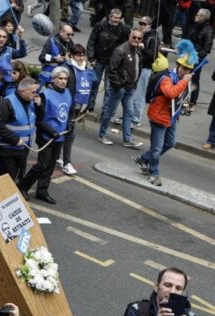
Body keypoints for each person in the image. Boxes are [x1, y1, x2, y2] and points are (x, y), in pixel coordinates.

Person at [134, 49, 197, 186]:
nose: (185, 72)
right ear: (177, 65)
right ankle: (153, 173)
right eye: (184, 68)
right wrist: (184, 82)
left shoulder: (183, 80)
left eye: (188, 70)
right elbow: (170, 93)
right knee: (157, 148)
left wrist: (185, 103)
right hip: (159, 116)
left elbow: (179, 96)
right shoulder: (166, 78)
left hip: (171, 116)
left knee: (170, 143)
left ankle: (143, 159)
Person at [17, 67, 73, 205]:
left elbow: (69, 112)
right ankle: (22, 186)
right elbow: (39, 119)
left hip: (60, 136)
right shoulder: (44, 95)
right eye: (60, 78)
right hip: (46, 136)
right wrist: (50, 131)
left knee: (50, 166)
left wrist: (70, 124)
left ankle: (42, 191)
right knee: (42, 165)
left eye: (65, 79)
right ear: (53, 79)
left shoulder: (68, 93)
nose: (63, 81)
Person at [96, 28, 144, 148]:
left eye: (139, 38)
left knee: (129, 113)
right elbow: (112, 69)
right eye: (134, 37)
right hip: (120, 87)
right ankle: (102, 134)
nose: (136, 40)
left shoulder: (137, 50)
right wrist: (118, 84)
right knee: (110, 111)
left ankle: (127, 139)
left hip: (130, 87)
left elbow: (138, 68)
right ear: (130, 37)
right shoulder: (121, 50)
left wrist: (134, 84)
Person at [0, 77, 39, 181]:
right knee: (8, 180)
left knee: (14, 178)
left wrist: (40, 106)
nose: (35, 94)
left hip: (22, 148)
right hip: (7, 150)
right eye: (33, 92)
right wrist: (14, 139)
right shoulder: (6, 103)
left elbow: (39, 119)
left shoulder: (31, 101)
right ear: (23, 91)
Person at [86, 9, 130, 112]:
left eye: (119, 18)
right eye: (115, 17)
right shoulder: (100, 25)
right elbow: (92, 41)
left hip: (112, 62)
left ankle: (105, 108)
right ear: (110, 16)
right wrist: (91, 57)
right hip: (99, 58)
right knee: (95, 83)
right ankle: (90, 104)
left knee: (108, 87)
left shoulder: (123, 29)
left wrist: (120, 61)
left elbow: (125, 46)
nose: (117, 20)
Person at [61, 44, 94, 176]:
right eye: (78, 55)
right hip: (66, 106)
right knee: (67, 134)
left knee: (67, 133)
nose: (81, 58)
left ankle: (62, 159)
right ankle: (66, 162)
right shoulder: (66, 68)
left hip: (77, 107)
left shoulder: (86, 69)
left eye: (82, 55)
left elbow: (91, 87)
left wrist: (89, 105)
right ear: (71, 56)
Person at [187, 8, 213, 109]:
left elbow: (206, 49)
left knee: (194, 78)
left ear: (203, 17)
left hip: (197, 58)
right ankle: (183, 98)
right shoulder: (195, 26)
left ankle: (192, 101)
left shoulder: (208, 30)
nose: (196, 16)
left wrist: (196, 56)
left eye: (198, 15)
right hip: (188, 55)